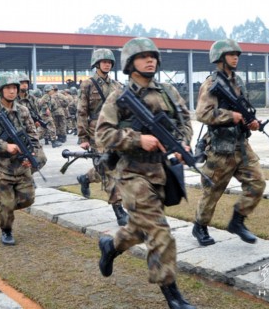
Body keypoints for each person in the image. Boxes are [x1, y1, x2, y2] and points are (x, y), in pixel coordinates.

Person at [96, 37, 196, 309]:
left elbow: (185, 120)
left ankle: (111, 246)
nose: (150, 60)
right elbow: (103, 134)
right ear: (130, 64)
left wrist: (183, 142)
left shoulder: (168, 92)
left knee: (139, 229)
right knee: (159, 232)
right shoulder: (118, 96)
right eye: (143, 57)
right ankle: (172, 295)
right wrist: (138, 140)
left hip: (163, 172)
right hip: (132, 175)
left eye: (153, 56)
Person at [192, 39, 265, 246]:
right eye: (231, 54)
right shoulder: (211, 83)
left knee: (257, 183)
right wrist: (228, 116)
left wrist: (251, 122)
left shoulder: (238, 82)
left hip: (242, 145)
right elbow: (202, 114)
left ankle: (238, 220)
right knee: (212, 191)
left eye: (237, 54)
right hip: (220, 148)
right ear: (220, 58)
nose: (235, 57)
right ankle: (200, 226)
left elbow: (244, 110)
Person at [0, 74, 46, 246]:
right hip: (1, 167)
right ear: (0, 90)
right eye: (8, 88)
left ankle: (4, 206)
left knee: (28, 199)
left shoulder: (23, 110)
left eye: (14, 88)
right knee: (7, 204)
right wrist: (4, 146)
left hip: (21, 166)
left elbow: (32, 135)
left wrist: (32, 155)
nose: (12, 91)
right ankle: (6, 229)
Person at [77, 48, 128, 226]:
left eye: (109, 62)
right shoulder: (87, 85)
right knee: (108, 169)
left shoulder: (117, 86)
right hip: (95, 133)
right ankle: (118, 209)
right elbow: (82, 112)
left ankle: (85, 178)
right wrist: (82, 137)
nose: (107, 64)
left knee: (113, 166)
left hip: (114, 132)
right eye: (103, 61)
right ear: (96, 64)